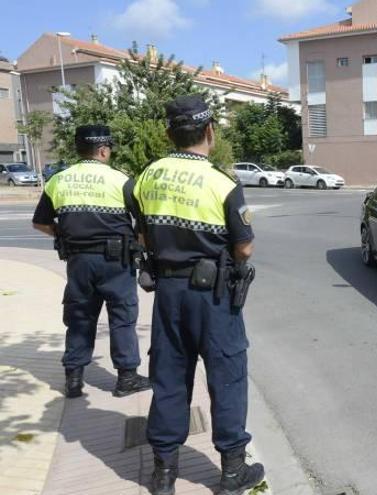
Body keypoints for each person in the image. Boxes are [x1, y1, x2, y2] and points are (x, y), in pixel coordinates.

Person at [132, 94, 264, 495]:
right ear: (210, 130)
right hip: (214, 296)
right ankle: (231, 472)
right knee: (226, 375)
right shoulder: (222, 183)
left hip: (168, 293)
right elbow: (243, 248)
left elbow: (141, 234)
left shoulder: (146, 176)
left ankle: (163, 474)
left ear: (169, 133)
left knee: (169, 376)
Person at [31, 125, 151, 399]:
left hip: (79, 262)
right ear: (104, 150)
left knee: (80, 318)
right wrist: (140, 249)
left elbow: (40, 223)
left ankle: (74, 379)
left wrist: (62, 236)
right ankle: (127, 378)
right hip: (116, 262)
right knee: (122, 317)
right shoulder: (121, 180)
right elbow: (143, 226)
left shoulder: (58, 180)